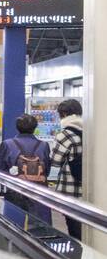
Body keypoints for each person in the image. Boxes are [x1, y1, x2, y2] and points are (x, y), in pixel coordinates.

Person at [0, 113, 51, 229]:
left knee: (13, 224)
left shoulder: (7, 144)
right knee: (38, 227)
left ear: (17, 127)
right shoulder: (44, 145)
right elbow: (47, 170)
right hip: (37, 189)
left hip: (14, 188)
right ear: (35, 128)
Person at [47, 99, 84, 241]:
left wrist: (50, 181)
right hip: (88, 186)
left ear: (63, 114)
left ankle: (78, 257)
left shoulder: (65, 134)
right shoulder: (90, 131)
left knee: (74, 226)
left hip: (70, 186)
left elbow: (56, 161)